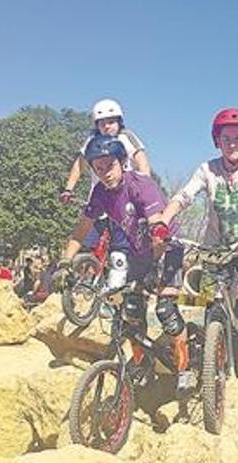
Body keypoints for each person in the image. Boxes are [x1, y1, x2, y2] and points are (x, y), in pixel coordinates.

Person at [157, 108, 238, 390]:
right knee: (206, 304)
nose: (232, 143)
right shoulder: (207, 169)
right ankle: (207, 359)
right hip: (213, 250)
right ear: (217, 141)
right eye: (226, 138)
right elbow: (185, 196)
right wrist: (163, 221)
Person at [54, 134, 194, 396]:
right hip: (140, 252)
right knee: (130, 311)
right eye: (98, 168)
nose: (105, 173)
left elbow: (157, 227)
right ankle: (142, 364)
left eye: (110, 165)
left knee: (165, 310)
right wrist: (64, 263)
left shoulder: (142, 186)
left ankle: (185, 369)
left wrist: (151, 270)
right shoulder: (99, 194)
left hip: (166, 246)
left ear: (122, 162)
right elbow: (80, 231)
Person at [59, 99, 152, 204]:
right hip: (100, 199)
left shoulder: (126, 137)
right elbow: (79, 165)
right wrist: (68, 189)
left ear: (119, 122)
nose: (107, 126)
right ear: (97, 126)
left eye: (111, 122)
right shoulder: (92, 140)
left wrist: (146, 189)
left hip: (126, 198)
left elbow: (142, 162)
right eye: (102, 124)